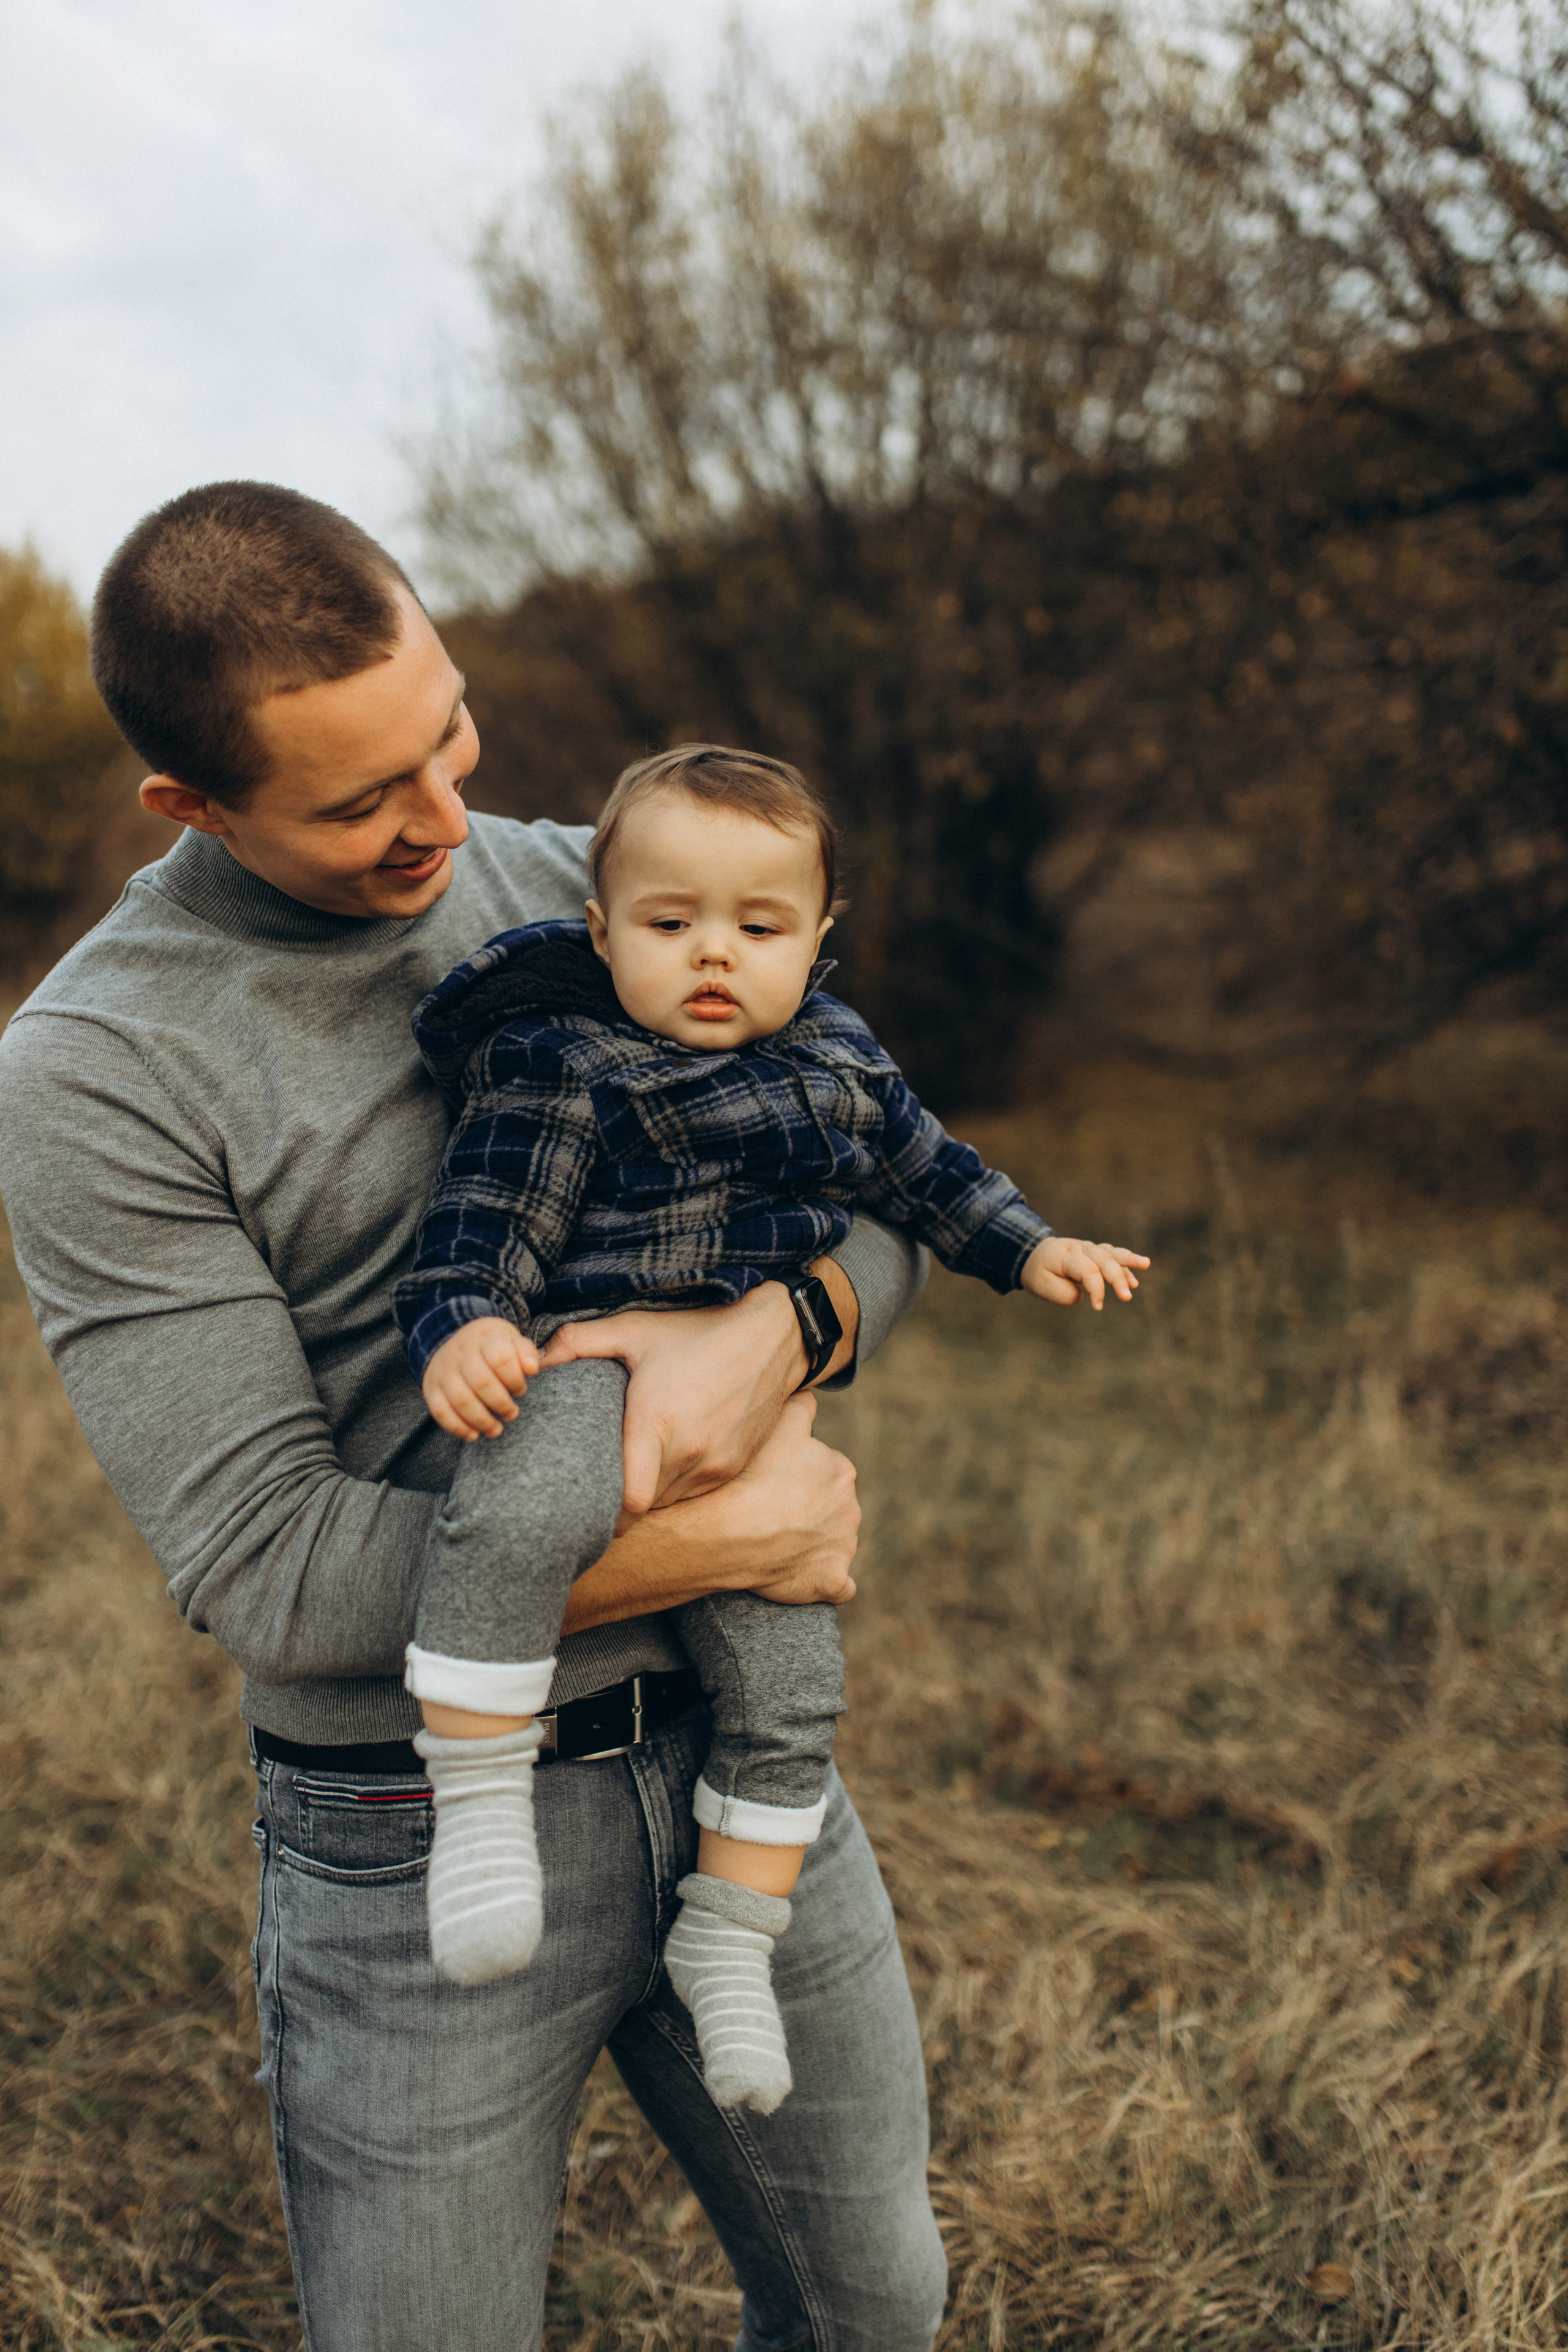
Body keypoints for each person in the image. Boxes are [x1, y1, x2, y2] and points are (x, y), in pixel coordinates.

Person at [0, 481, 950, 2352]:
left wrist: (789, 1327)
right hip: (406, 1833)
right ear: (190, 807)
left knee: (876, 2311)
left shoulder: (573, 881)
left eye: (448, 730)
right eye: (361, 801)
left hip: (736, 1759)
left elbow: (877, 1182)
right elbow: (268, 1573)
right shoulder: (94, 1071)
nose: (445, 821)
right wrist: (726, 1533)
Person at [391, 745, 1150, 2124]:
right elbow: (483, 1221)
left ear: (818, 939)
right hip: (583, 1357)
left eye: (757, 927)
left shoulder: (842, 1061)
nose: (712, 958)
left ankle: (728, 1937)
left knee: (792, 1668)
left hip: (753, 1412)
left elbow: (927, 1175)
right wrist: (463, 1327)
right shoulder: (560, 1062)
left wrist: (1029, 1248)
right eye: (670, 924)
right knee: (518, 1509)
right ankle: (481, 1810)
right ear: (601, 931)